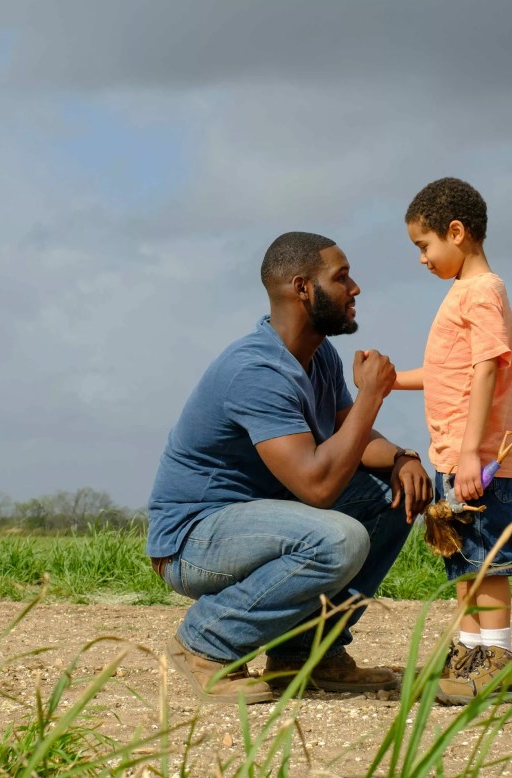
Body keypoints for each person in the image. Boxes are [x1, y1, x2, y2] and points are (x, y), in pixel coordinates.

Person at [147, 231, 435, 704]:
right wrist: (372, 395)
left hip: (264, 521)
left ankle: (304, 654)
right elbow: (318, 487)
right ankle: (203, 643)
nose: (356, 288)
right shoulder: (257, 371)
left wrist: (404, 458)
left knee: (395, 493)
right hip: (193, 539)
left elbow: (353, 441)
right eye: (341, 278)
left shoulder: (317, 357)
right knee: (339, 538)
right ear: (302, 288)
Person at [393, 178, 512, 704]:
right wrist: (389, 381)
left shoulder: (481, 291)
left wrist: (472, 452)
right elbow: (448, 370)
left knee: (486, 564)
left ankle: (497, 658)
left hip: (479, 458)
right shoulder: (462, 293)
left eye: (424, 246)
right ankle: (469, 653)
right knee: (465, 564)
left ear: (456, 232)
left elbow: (488, 366)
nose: (422, 258)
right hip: (458, 456)